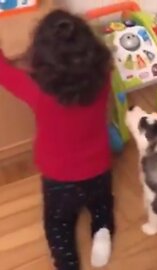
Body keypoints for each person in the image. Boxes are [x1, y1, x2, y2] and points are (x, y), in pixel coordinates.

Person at [0, 9, 114, 270]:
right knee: (102, 202)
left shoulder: (37, 90)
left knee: (58, 223)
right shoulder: (103, 76)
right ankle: (103, 232)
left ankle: (67, 262)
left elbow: (3, 73)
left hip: (58, 177)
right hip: (99, 166)